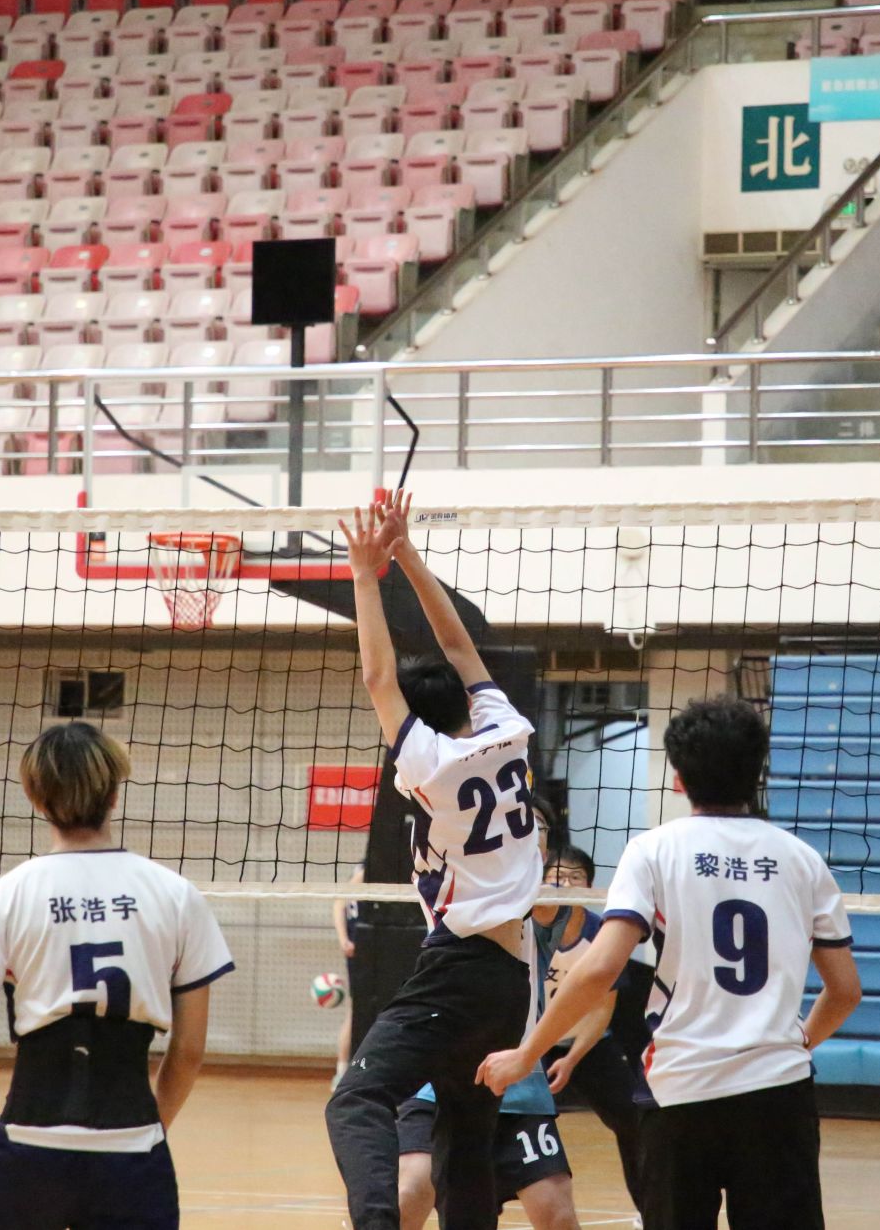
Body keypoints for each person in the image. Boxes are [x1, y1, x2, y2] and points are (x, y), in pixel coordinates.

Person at [479, 695, 862, 1230]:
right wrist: (794, 1044)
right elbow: (844, 991)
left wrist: (527, 1053)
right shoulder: (803, 860)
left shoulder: (654, 850)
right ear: (757, 772)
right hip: (778, 1095)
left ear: (678, 779)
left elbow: (600, 969)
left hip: (682, 1089)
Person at [0, 722, 234, 1230]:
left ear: (36, 798)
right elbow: (189, 1049)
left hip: (29, 1146)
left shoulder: (4, 897)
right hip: (133, 1145)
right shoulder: (177, 896)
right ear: (114, 794)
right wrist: (148, 1133)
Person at [325, 492, 544, 1230]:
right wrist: (408, 556)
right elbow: (459, 647)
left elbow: (377, 678)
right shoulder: (509, 730)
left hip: (460, 967)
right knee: (465, 1136)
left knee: (356, 1098)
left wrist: (366, 572)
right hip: (512, 979)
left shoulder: (428, 763)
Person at [536, 844, 648, 1216]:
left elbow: (603, 1007)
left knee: (634, 1119)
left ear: (590, 887)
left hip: (583, 1044)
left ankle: (650, 1211)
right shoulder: (524, 926)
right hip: (527, 1044)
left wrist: (571, 1059)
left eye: (576, 877)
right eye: (557, 876)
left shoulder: (603, 932)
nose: (566, 883)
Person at [332, 864, 366, 1086]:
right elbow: (339, 902)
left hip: (372, 946)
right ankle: (342, 1072)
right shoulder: (367, 870)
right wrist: (344, 939)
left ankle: (345, 1071)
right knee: (356, 1010)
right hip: (361, 948)